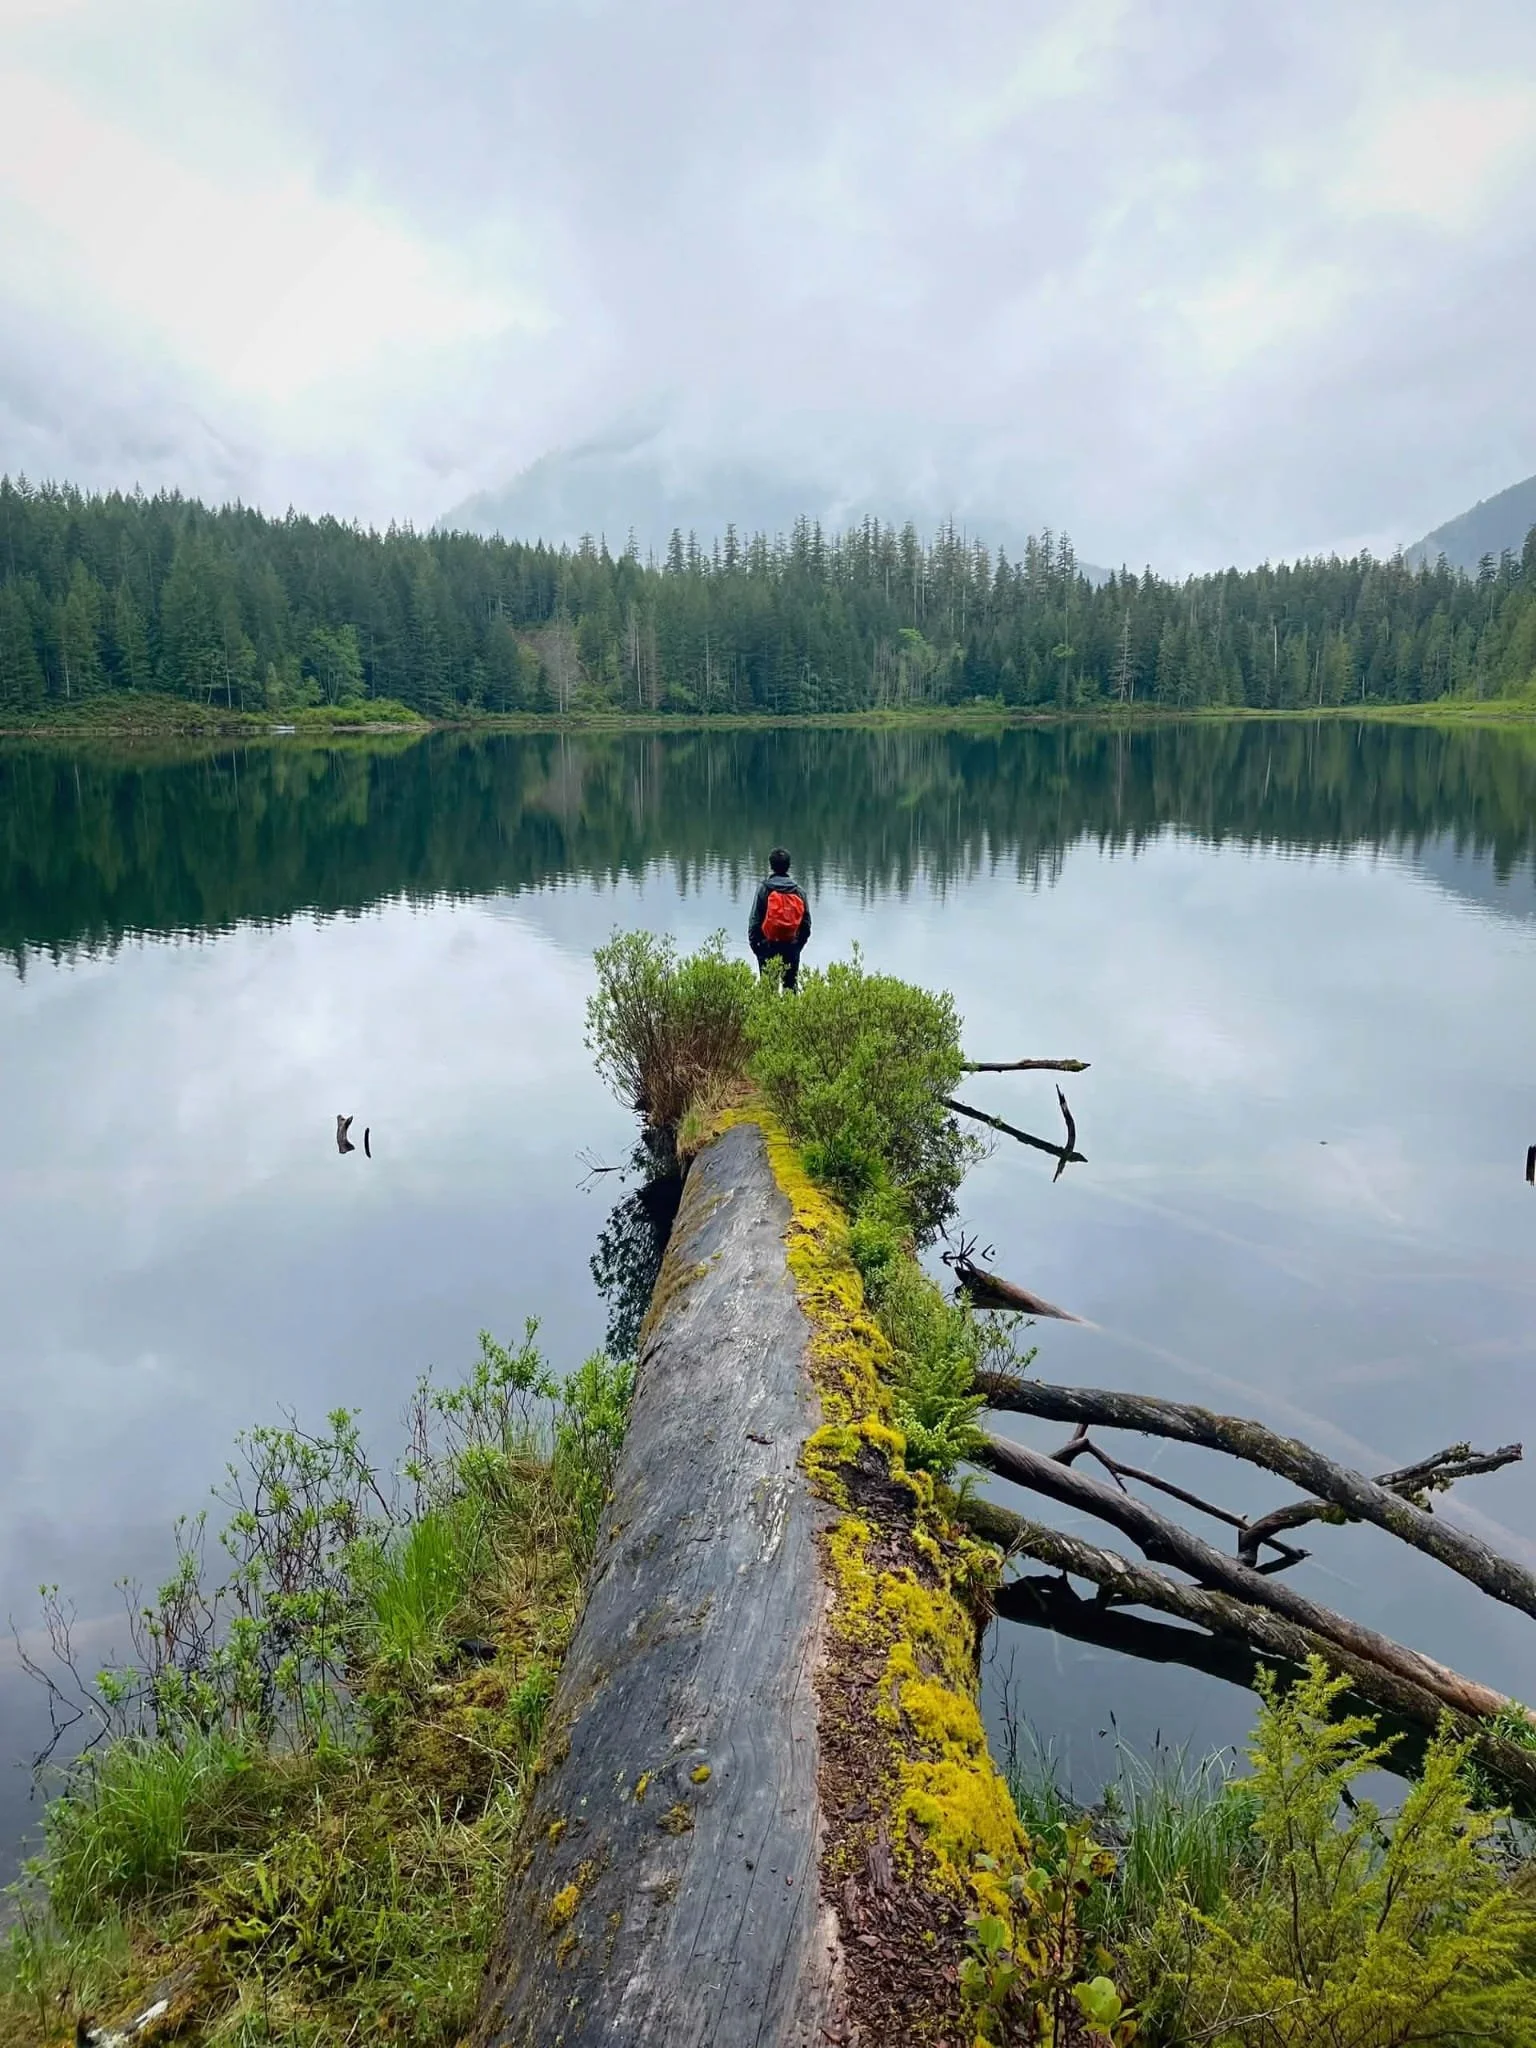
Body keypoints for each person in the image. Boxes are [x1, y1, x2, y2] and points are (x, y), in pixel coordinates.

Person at [748, 847, 811, 990]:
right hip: (791, 947)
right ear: (788, 866)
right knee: (790, 990)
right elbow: (806, 925)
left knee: (767, 992)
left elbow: (754, 922)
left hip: (767, 946)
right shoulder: (799, 891)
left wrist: (757, 948)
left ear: (771, 866)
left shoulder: (764, 889)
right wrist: (797, 947)